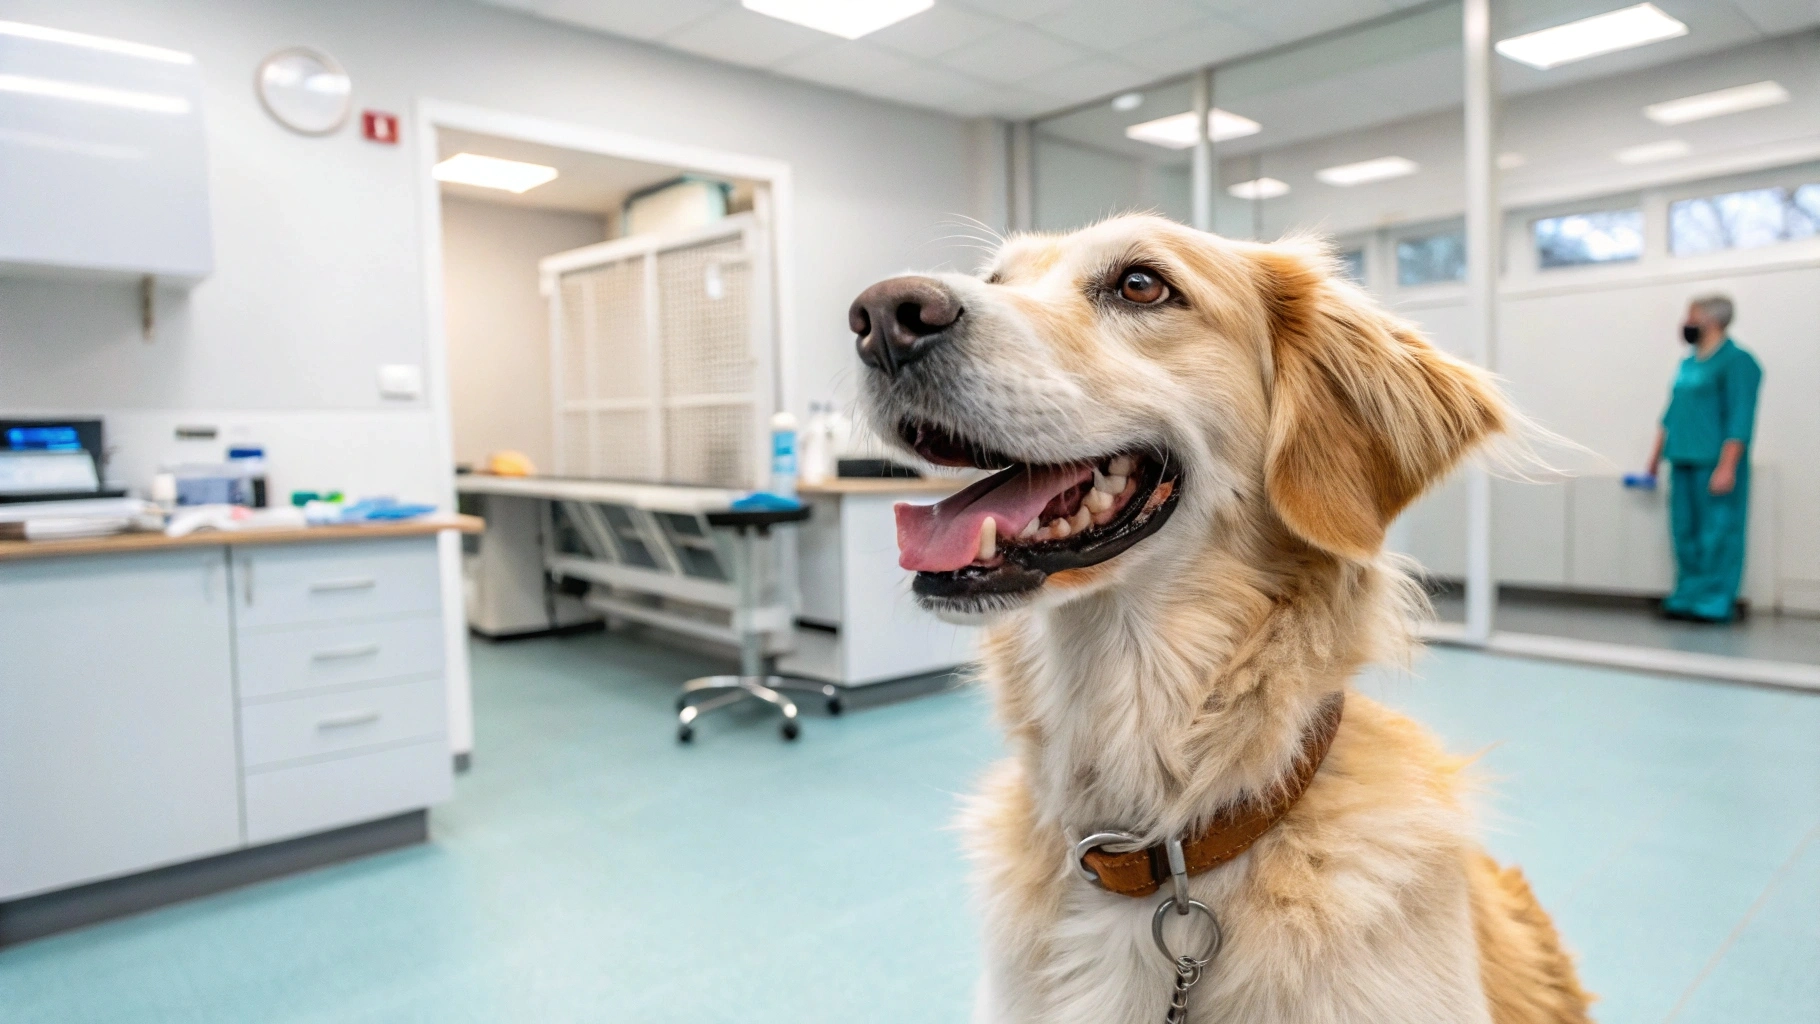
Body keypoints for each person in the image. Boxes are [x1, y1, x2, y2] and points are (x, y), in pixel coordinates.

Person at [1643, 294, 1762, 623]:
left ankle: (1714, 601)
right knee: (1685, 532)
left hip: (1714, 462)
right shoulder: (1688, 362)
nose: (1686, 323)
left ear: (1711, 320)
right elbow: (1671, 414)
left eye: (1691, 316)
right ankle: (1687, 596)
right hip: (1681, 458)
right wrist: (1654, 459)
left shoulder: (1738, 362)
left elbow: (1741, 417)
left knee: (1718, 533)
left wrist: (1727, 466)